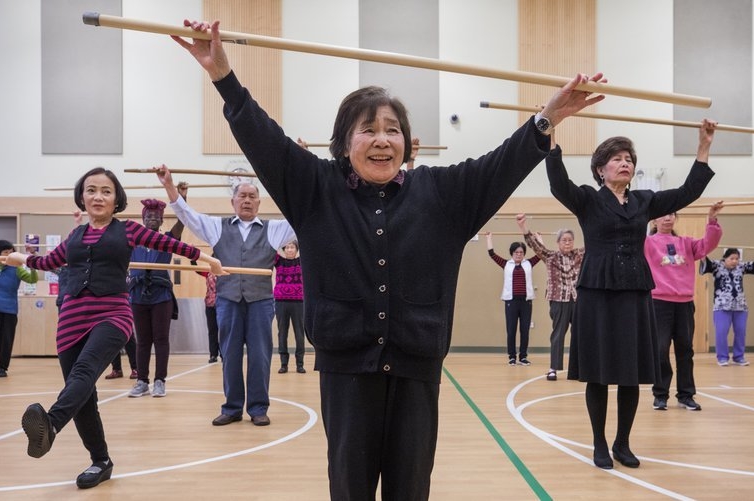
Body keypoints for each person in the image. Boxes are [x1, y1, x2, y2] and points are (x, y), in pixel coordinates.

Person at [171, 18, 603, 499]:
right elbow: (263, 138)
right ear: (344, 142)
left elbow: (501, 164)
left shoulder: (442, 193)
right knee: (350, 488)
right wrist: (223, 76)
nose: (382, 139)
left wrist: (546, 121)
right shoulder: (315, 188)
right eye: (368, 129)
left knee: (410, 489)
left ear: (407, 143)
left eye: (393, 130)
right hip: (345, 369)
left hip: (417, 365)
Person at [7, 167, 223, 489]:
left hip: (112, 315)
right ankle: (101, 461)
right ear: (82, 195)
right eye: (92, 190)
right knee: (82, 395)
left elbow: (167, 243)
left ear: (116, 199)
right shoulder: (75, 237)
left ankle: (50, 425)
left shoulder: (130, 231)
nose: (98, 196)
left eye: (106, 191)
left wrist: (206, 259)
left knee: (82, 373)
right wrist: (22, 259)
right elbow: (47, 262)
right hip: (70, 320)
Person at [546, 119, 717, 470]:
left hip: (634, 292)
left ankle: (622, 443)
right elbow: (557, 182)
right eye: (617, 158)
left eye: (629, 158)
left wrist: (703, 146)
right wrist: (549, 136)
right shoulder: (588, 200)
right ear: (600, 169)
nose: (626, 163)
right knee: (597, 371)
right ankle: (598, 443)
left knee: (630, 370)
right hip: (596, 292)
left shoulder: (644, 201)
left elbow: (687, 192)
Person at [154, 172, 295, 427]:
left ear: (259, 203)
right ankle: (231, 408)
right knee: (229, 354)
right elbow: (188, 216)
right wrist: (170, 187)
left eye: (253, 196)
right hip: (227, 300)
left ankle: (258, 408)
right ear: (233, 201)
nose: (247, 201)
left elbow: (300, 216)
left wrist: (300, 174)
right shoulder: (217, 226)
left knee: (260, 355)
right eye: (242, 196)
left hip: (261, 302)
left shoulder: (273, 229)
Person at [644, 203, 723, 412]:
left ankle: (686, 395)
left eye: (671, 214)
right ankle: (660, 395)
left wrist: (712, 220)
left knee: (685, 351)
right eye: (663, 215)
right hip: (658, 303)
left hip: (684, 304)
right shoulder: (647, 243)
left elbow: (708, 244)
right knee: (660, 350)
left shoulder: (686, 243)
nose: (668, 218)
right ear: (654, 220)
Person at [127, 186, 188, 398]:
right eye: (149, 216)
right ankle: (142, 381)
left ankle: (160, 380)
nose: (152, 218)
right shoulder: (132, 242)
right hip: (137, 296)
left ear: (162, 221)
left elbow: (182, 223)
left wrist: (182, 200)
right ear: (143, 220)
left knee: (161, 339)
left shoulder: (168, 240)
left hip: (161, 297)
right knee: (142, 341)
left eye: (157, 216)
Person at [517, 213, 585, 381]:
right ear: (558, 242)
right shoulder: (551, 257)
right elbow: (534, 245)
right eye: (564, 240)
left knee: (581, 334)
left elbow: (596, 243)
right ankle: (553, 368)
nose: (567, 242)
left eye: (570, 240)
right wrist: (523, 226)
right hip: (558, 300)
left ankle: (580, 368)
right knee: (558, 334)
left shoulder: (579, 254)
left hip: (577, 299)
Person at [0, 240, 38, 377]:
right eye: (5, 252)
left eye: (11, 252)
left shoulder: (16, 268)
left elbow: (32, 279)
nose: (8, 255)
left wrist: (31, 265)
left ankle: (2, 368)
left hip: (8, 309)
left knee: (6, 340)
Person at [700, 248, 754, 366]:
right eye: (732, 258)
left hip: (740, 306)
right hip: (721, 306)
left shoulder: (741, 267)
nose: (735, 261)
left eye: (737, 259)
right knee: (721, 332)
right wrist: (702, 254)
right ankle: (722, 358)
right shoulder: (716, 265)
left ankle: (739, 357)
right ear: (725, 258)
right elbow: (705, 263)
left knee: (740, 332)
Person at [485, 233, 540, 366]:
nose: (519, 254)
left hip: (526, 302)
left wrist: (538, 238)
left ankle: (523, 357)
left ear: (524, 253)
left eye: (521, 252)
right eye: (516, 252)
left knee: (524, 330)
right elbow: (492, 254)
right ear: (512, 253)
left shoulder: (529, 263)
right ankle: (511, 356)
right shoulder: (506, 264)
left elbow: (540, 253)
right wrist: (489, 238)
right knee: (511, 330)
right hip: (511, 301)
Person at [274, 240, 306, 374]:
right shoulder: (279, 262)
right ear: (284, 249)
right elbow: (271, 248)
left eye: (292, 247)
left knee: (299, 333)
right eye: (287, 247)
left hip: (298, 302)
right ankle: (284, 364)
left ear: (297, 249)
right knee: (282, 333)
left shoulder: (301, 262)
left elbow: (309, 248)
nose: (290, 250)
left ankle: (300, 364)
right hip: (281, 301)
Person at [193, 262, 220, 363]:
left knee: (223, 330)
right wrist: (192, 260)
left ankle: (223, 353)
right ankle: (213, 354)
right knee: (212, 330)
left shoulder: (224, 272)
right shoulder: (208, 273)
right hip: (210, 305)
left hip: (222, 304)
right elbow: (197, 269)